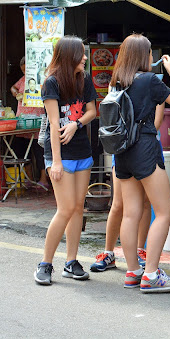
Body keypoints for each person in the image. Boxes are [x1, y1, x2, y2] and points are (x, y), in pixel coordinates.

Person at [111, 34, 170, 293]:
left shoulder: (117, 82)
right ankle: (151, 274)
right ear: (145, 56)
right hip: (144, 148)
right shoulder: (149, 80)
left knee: (131, 212)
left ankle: (133, 271)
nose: (152, 55)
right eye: (150, 52)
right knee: (165, 212)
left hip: (122, 151)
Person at [34, 36, 98, 285]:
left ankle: (71, 262)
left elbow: (92, 111)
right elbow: (52, 124)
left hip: (83, 153)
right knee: (66, 209)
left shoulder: (85, 80)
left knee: (78, 209)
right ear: (69, 56)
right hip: (60, 155)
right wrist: (56, 163)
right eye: (81, 54)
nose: (84, 57)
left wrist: (76, 123)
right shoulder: (51, 83)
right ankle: (45, 263)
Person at [90, 104, 165, 273]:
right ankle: (108, 253)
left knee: (146, 202)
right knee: (118, 203)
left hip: (147, 148)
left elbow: (157, 122)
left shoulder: (152, 86)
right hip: (124, 147)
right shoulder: (120, 85)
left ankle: (140, 250)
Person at [10, 56, 48, 190]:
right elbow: (13, 87)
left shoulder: (42, 78)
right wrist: (16, 93)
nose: (26, 74)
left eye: (27, 70)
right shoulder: (23, 80)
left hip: (37, 120)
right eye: (23, 71)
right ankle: (29, 178)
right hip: (23, 121)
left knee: (39, 149)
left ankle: (44, 179)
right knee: (23, 148)